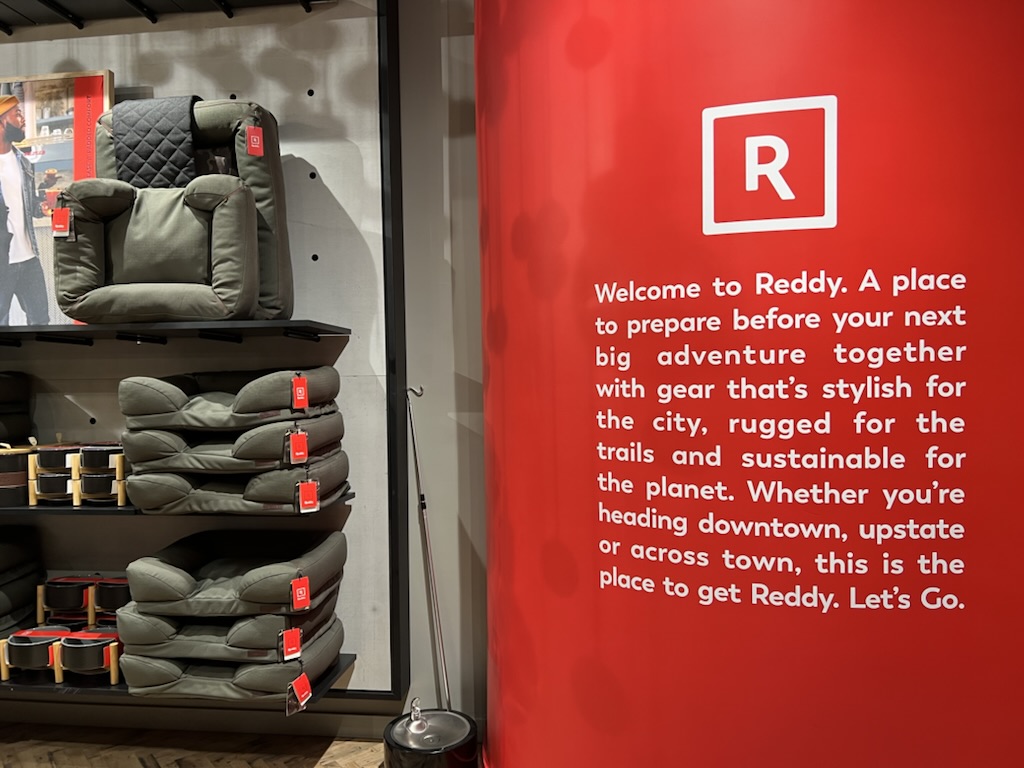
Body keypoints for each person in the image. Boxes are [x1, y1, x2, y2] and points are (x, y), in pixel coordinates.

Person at [0, 94, 51, 325]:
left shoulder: (24, 162)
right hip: (2, 262)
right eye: (17, 114)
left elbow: (29, 206)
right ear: (2, 121)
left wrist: (43, 206)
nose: (23, 119)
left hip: (29, 258)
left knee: (41, 322)